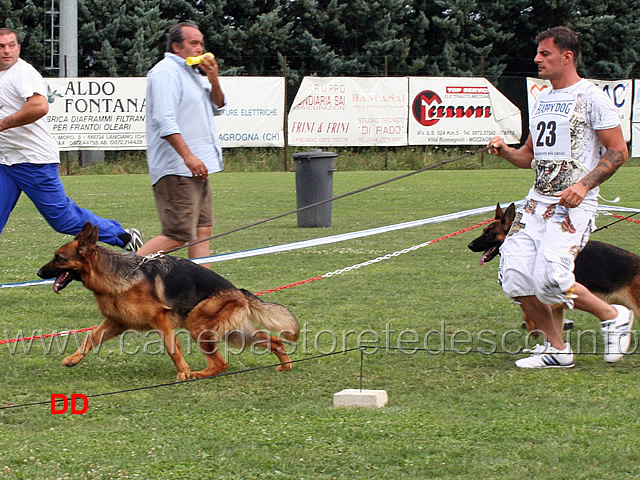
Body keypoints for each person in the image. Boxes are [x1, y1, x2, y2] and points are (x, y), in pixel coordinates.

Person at [487, 26, 633, 368]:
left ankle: (613, 315)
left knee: (552, 277)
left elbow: (618, 151)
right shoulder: (542, 100)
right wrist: (505, 150)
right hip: (535, 204)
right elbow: (528, 157)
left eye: (545, 54)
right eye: (538, 53)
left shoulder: (592, 98)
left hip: (573, 205)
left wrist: (583, 185)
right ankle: (556, 349)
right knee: (515, 276)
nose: (537, 59)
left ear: (567, 57)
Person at [0, 27, 143, 252]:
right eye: (1, 46)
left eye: (11, 45)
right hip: (5, 162)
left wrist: (2, 124)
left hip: (32, 161)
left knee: (63, 219)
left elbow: (39, 106)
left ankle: (123, 236)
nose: (6, 50)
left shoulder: (22, 73)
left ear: (18, 47)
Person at [137, 22, 225, 266]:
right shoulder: (165, 72)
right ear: (177, 46)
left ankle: (204, 292)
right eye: (193, 43)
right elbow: (164, 120)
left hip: (199, 164)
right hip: (177, 166)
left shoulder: (195, 73)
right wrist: (188, 156)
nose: (200, 48)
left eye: (201, 43)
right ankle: (121, 275)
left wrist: (214, 79)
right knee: (177, 235)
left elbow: (218, 107)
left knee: (202, 229)